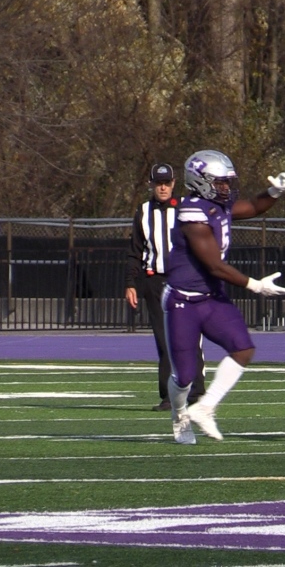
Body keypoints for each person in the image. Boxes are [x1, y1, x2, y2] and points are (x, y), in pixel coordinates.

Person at [164, 150, 285, 444]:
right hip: (183, 301)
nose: (226, 187)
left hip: (212, 297)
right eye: (220, 182)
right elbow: (213, 264)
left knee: (242, 348)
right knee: (185, 376)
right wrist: (255, 285)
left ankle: (205, 407)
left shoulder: (217, 205)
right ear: (200, 182)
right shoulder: (192, 212)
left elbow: (253, 206)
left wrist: (275, 191)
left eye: (227, 181)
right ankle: (179, 415)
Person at [126, 163, 205, 411]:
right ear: (151, 184)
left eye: (167, 182)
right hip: (155, 281)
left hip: (185, 280)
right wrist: (131, 283)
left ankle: (197, 393)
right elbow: (134, 252)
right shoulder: (143, 211)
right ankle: (169, 396)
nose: (162, 187)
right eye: (158, 183)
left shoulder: (186, 208)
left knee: (192, 337)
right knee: (165, 339)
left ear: (173, 183)